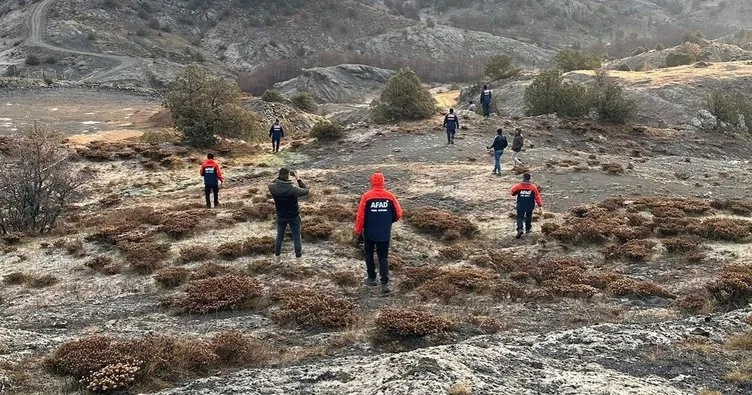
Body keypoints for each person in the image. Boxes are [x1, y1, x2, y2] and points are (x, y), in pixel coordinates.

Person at [354, 172, 403, 294]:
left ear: (372, 182)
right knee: (383, 257)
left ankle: (371, 279)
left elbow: (361, 216)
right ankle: (385, 284)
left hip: (369, 233)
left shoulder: (367, 196)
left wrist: (358, 231)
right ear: (383, 182)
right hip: (384, 234)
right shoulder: (390, 196)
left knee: (369, 255)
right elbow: (398, 214)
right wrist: (388, 221)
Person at [269, 168, 309, 263]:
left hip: (281, 216)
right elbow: (306, 190)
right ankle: (299, 260)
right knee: (296, 237)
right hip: (294, 216)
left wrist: (278, 177)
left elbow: (272, 183)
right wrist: (297, 178)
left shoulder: (273, 187)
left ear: (279, 175)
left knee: (279, 236)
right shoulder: (293, 189)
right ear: (288, 176)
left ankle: (277, 259)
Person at [510, 173, 543, 239]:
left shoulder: (518, 186)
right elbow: (537, 196)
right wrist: (540, 205)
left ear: (523, 178)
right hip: (529, 205)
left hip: (521, 205)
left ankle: (520, 229)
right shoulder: (533, 187)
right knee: (528, 216)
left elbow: (512, 192)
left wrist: (516, 193)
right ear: (529, 179)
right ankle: (528, 229)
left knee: (520, 217)